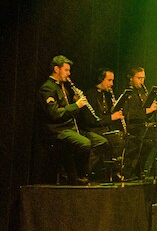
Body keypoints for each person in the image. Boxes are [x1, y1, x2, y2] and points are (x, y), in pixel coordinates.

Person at [39, 55, 104, 184]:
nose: (69, 74)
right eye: (66, 70)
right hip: (57, 131)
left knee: (100, 141)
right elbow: (55, 114)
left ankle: (82, 173)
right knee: (85, 143)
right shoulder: (48, 88)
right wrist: (76, 105)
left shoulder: (63, 87)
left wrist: (77, 103)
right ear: (56, 69)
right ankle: (80, 175)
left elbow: (69, 111)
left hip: (70, 128)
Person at [84, 67, 126, 178]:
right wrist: (112, 117)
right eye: (109, 80)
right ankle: (89, 172)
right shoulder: (90, 95)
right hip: (92, 130)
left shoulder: (107, 95)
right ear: (100, 79)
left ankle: (115, 170)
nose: (111, 84)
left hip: (104, 129)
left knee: (123, 136)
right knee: (115, 139)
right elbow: (91, 120)